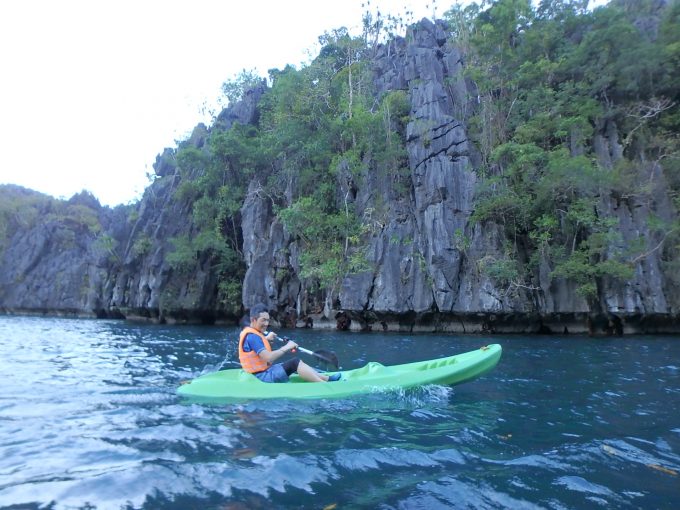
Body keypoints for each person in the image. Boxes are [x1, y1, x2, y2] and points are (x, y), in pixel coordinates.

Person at [238, 303, 341, 383]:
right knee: (295, 363)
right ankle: (324, 385)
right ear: (253, 319)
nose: (266, 324)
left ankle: (326, 378)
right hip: (262, 377)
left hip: (261, 373)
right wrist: (287, 347)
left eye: (268, 320)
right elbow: (268, 358)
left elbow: (257, 350)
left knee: (297, 362)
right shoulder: (253, 337)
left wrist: (266, 339)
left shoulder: (253, 334)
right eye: (263, 320)